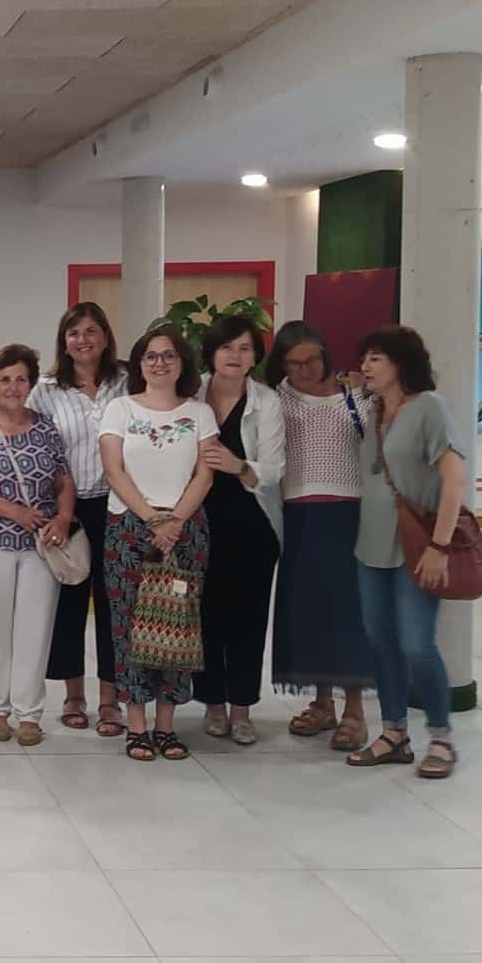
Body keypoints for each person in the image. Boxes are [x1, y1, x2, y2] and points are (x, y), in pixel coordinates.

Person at [346, 325, 466, 780]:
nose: (365, 367)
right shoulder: (374, 411)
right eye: (365, 358)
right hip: (370, 545)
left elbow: (454, 482)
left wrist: (440, 545)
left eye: (375, 358)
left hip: (417, 546)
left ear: (401, 362)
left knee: (417, 644)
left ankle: (441, 737)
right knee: (381, 641)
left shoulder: (430, 409)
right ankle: (394, 733)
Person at [99, 326, 215, 762]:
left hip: (185, 531)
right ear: (139, 363)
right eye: (150, 356)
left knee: (176, 626)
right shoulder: (120, 410)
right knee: (128, 626)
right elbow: (114, 471)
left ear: (183, 363)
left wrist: (175, 521)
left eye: (168, 356)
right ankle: (136, 724)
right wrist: (152, 520)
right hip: (130, 528)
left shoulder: (200, 413)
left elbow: (204, 474)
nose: (159, 363)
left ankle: (167, 726)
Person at [0, 345, 75, 747]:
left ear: (31, 383)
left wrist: (61, 518)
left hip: (40, 545)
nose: (13, 386)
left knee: (35, 629)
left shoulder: (45, 427)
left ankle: (30, 714)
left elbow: (62, 480)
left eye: (21, 378)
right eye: (5, 379)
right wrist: (12, 511)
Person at [265, 321, 373, 750]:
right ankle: (322, 702)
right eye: (292, 362)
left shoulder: (358, 396)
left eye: (310, 360)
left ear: (326, 354)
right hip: (299, 515)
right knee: (309, 612)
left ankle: (355, 711)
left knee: (348, 613)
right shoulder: (277, 400)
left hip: (351, 515)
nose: (303, 369)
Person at [29, 302, 130, 737]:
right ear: (63, 341)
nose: (83, 339)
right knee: (68, 604)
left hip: (117, 505)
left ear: (106, 336)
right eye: (74, 332)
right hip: (65, 507)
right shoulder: (46, 389)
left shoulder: (128, 382)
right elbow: (29, 437)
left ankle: (111, 698)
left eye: (91, 331)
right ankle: (73, 695)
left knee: (114, 606)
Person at [194, 316, 285, 745]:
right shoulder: (191, 394)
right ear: (212, 352)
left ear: (256, 356)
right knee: (205, 616)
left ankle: (242, 708)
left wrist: (238, 466)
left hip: (251, 523)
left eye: (245, 348)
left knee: (248, 620)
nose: (235, 356)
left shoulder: (266, 401)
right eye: (227, 347)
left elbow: (274, 468)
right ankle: (213, 703)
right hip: (199, 520)